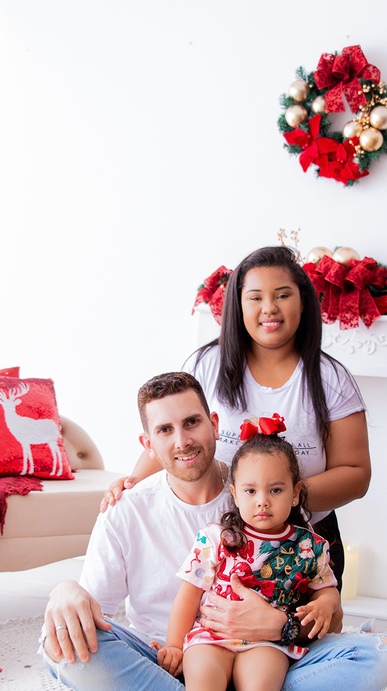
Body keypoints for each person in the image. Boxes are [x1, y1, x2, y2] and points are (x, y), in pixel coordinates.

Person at [42, 372, 387, 691]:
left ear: (214, 424)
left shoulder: (263, 487)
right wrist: (64, 589)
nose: (182, 440)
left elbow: (328, 614)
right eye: (165, 430)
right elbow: (92, 610)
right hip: (171, 667)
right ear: (148, 444)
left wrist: (278, 626)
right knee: (60, 646)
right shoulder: (127, 510)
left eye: (192, 423)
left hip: (271, 662)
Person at [103, 245, 370, 599]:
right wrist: (134, 484)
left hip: (304, 542)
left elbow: (356, 473)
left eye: (283, 295)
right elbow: (177, 435)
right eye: (255, 297)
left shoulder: (330, 378)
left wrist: (281, 495)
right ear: (238, 305)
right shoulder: (207, 365)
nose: (269, 308)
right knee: (209, 634)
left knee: (290, 642)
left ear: (303, 302)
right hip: (218, 538)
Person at [162, 419, 339, 691]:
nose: (262, 502)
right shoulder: (215, 539)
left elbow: (328, 591)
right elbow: (189, 593)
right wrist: (175, 646)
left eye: (275, 490)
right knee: (202, 682)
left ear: (296, 492)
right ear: (234, 493)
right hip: (212, 634)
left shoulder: (309, 547)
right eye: (250, 491)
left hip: (265, 641)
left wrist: (325, 603)